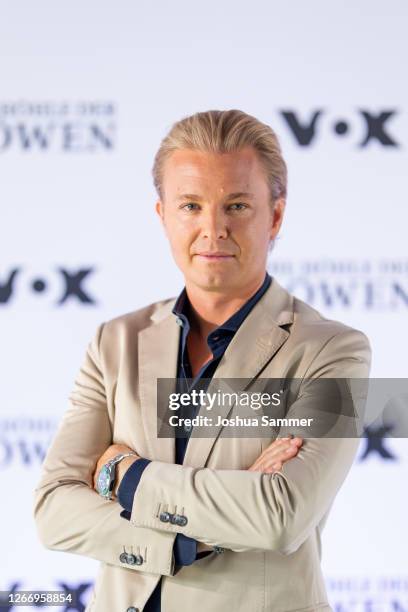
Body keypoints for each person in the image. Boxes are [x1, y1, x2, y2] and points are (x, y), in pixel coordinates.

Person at [33, 109, 371, 612]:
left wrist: (125, 475)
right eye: (191, 205)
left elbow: (281, 516)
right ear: (162, 215)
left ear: (275, 215)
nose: (212, 229)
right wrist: (189, 542)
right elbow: (53, 510)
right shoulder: (114, 340)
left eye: (236, 205)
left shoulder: (339, 351)